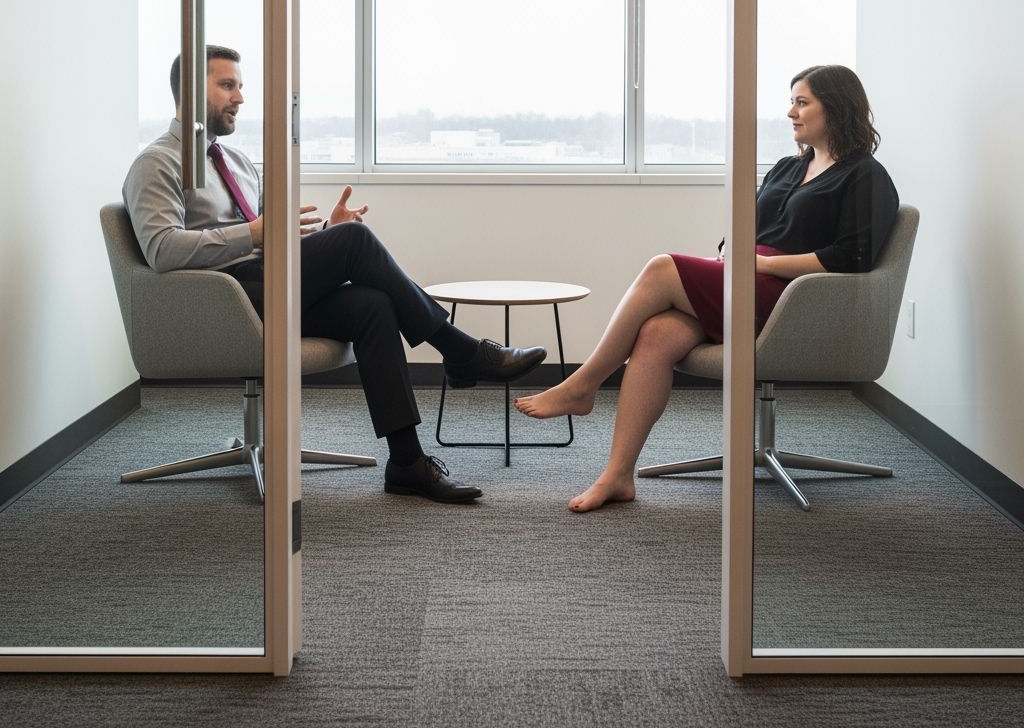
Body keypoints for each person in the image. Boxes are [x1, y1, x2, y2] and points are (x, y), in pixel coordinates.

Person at [123, 45, 547, 504]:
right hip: (225, 300)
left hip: (269, 284)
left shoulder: (239, 162)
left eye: (241, 86)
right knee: (356, 245)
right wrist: (254, 233)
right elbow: (162, 250)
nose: (241, 97)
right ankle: (463, 352)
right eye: (228, 85)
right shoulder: (157, 163)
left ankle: (406, 462)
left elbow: (273, 240)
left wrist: (327, 231)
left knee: (373, 304)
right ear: (187, 93)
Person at [514, 64, 899, 512]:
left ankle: (583, 385)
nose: (790, 112)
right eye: (792, 100)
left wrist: (763, 262)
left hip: (793, 298)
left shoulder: (865, 176)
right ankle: (617, 476)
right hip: (747, 278)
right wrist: (731, 255)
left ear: (836, 106)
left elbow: (853, 256)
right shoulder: (788, 167)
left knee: (662, 268)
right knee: (656, 335)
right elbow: (745, 226)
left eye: (802, 101)